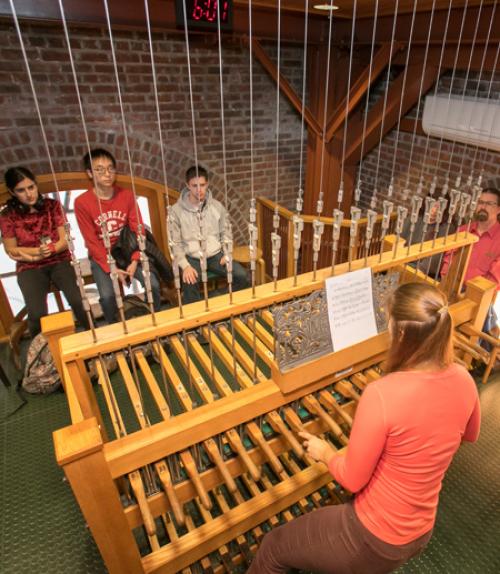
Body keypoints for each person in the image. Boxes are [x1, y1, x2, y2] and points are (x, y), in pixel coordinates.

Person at [248, 282, 480, 574]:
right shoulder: (463, 378)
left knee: (273, 548)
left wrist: (326, 452)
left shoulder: (382, 393)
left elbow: (352, 480)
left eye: (390, 326)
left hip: (373, 537)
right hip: (421, 529)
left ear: (404, 334)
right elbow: (470, 435)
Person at [75, 148, 162, 324]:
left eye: (110, 168)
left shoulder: (127, 195)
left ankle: (153, 320)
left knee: (152, 284)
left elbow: (138, 229)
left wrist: (135, 259)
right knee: (108, 297)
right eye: (100, 170)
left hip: (127, 251)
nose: (107, 174)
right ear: (90, 173)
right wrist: (111, 268)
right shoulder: (82, 202)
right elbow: (91, 241)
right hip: (102, 255)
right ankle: (114, 330)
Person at [0, 166, 89, 337]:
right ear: (12, 192)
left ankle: (91, 335)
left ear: (36, 185)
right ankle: (41, 351)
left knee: (78, 301)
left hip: (59, 260)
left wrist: (50, 249)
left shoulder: (52, 206)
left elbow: (65, 240)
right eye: (21, 190)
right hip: (29, 267)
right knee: (36, 312)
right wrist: (35, 253)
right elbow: (10, 249)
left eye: (31, 187)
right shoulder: (7, 215)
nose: (29, 194)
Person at [169, 165, 249, 304]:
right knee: (189, 281)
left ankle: (218, 302)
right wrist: (185, 265)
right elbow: (174, 243)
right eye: (194, 186)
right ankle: (196, 320)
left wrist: (227, 252)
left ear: (207, 184)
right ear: (187, 185)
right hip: (191, 257)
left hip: (215, 255)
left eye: (202, 185)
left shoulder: (217, 206)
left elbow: (226, 233)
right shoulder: (175, 212)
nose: (199, 190)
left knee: (242, 276)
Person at [441, 186, 500, 334]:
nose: (482, 207)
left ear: (498, 209)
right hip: (450, 289)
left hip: (477, 300)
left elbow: (493, 280)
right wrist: (448, 281)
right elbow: (448, 259)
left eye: (489, 204)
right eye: (480, 202)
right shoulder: (463, 230)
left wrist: (466, 291)